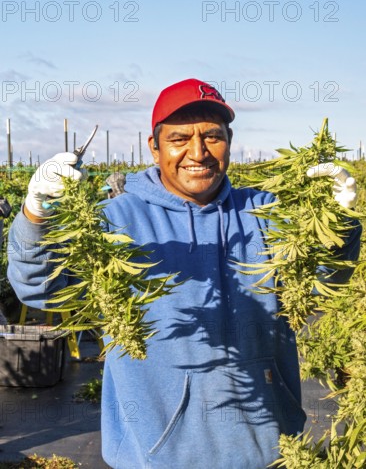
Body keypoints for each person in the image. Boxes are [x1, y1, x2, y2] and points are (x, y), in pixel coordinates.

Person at [7, 79, 360, 469]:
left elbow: (323, 282)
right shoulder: (112, 222)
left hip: (269, 450)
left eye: (212, 136)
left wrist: (338, 222)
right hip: (154, 454)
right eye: (179, 138)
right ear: (154, 147)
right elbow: (41, 289)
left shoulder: (267, 212)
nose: (198, 152)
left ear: (229, 140)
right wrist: (36, 218)